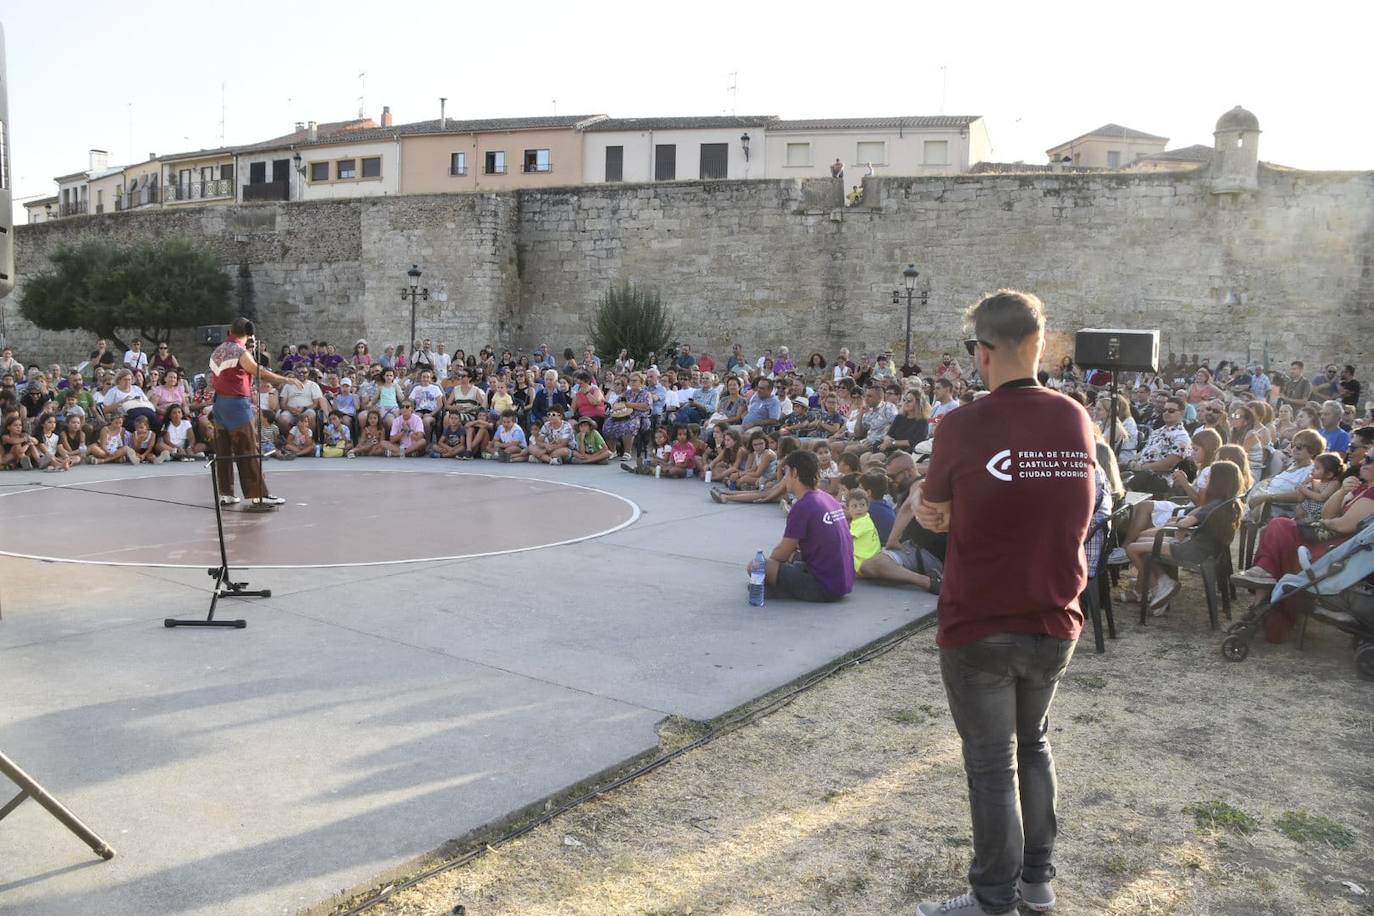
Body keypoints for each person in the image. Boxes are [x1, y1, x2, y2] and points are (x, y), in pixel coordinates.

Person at [913, 290, 1096, 916]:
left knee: (993, 765)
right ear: (1038, 345)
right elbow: (1079, 507)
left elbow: (933, 513)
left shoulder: (963, 425)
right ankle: (1037, 883)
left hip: (981, 622)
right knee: (1034, 743)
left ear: (983, 354)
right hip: (1053, 619)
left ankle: (993, 897)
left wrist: (939, 502)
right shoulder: (1075, 418)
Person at [208, 318, 294, 507]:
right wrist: (286, 380)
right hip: (237, 405)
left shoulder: (218, 350)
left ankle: (226, 493)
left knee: (223, 451)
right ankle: (258, 495)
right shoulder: (240, 351)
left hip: (219, 404)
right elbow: (259, 372)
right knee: (247, 448)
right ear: (249, 333)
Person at [752, 449, 854, 602]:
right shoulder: (828, 498)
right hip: (843, 582)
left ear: (794, 472)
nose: (784, 479)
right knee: (794, 556)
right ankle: (782, 586)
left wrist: (771, 567)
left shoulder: (803, 506)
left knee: (757, 566)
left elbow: (782, 553)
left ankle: (780, 589)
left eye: (785, 473)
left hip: (824, 587)